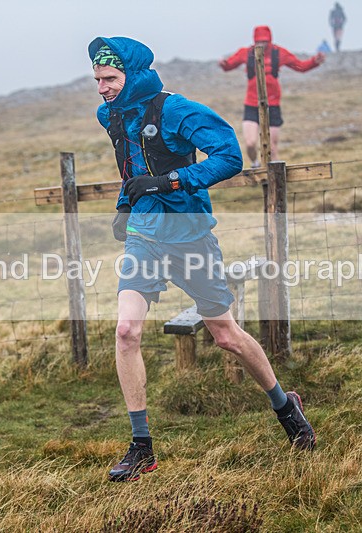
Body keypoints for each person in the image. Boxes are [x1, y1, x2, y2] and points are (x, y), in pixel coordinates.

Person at [89, 35, 316, 483]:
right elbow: (131, 164)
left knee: (226, 335)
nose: (101, 87)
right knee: (126, 330)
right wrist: (124, 204)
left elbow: (229, 156)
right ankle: (142, 448)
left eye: (110, 78)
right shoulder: (109, 114)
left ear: (131, 74)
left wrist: (168, 182)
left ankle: (284, 405)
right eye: (97, 79)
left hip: (190, 236)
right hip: (144, 237)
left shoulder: (174, 110)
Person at [219, 26, 325, 167]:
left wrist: (314, 61)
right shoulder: (246, 53)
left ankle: (275, 178)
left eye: (265, 41)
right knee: (250, 143)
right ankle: (255, 163)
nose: (262, 45)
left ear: (270, 40)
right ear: (254, 41)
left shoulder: (279, 53)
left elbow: (300, 66)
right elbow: (229, 66)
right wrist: (223, 64)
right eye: (259, 42)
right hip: (251, 104)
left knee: (272, 146)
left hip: (273, 104)